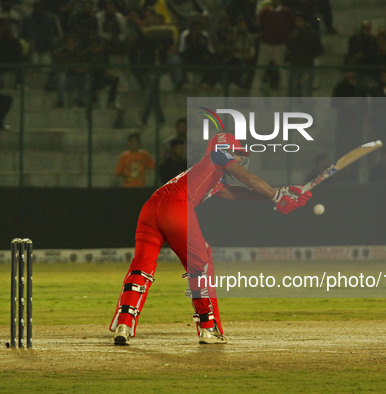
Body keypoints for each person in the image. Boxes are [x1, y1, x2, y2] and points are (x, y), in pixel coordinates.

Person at [110, 133, 312, 345]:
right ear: (226, 149)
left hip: (150, 208)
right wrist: (277, 197)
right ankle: (208, 328)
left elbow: (236, 193)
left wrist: (280, 192)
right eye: (237, 154)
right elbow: (248, 179)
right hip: (176, 207)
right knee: (201, 265)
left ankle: (123, 325)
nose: (240, 159)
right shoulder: (219, 155)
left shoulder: (209, 172)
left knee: (141, 268)